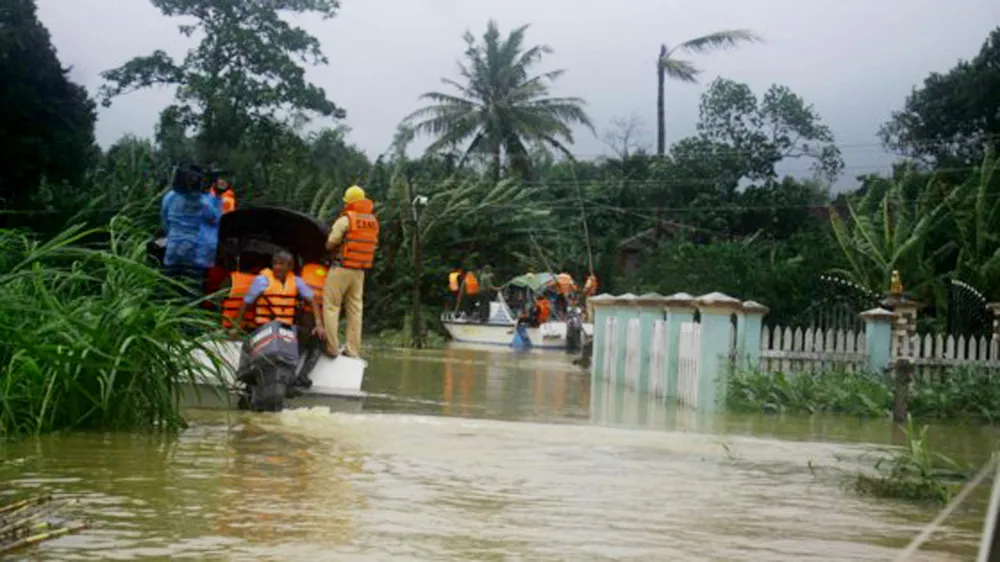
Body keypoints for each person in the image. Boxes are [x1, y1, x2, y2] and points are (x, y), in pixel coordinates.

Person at [323, 185, 380, 358]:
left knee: (332, 306)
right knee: (355, 309)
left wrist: (327, 247)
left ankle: (331, 347)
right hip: (359, 271)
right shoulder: (372, 222)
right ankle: (352, 350)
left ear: (348, 202)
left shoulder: (346, 219)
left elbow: (331, 243)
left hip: (341, 268)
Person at [160, 166, 222, 295]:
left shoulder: (170, 197)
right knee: (192, 290)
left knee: (169, 288)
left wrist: (171, 236)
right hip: (195, 253)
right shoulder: (203, 201)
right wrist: (218, 197)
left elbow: (165, 220)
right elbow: (215, 219)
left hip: (173, 250)